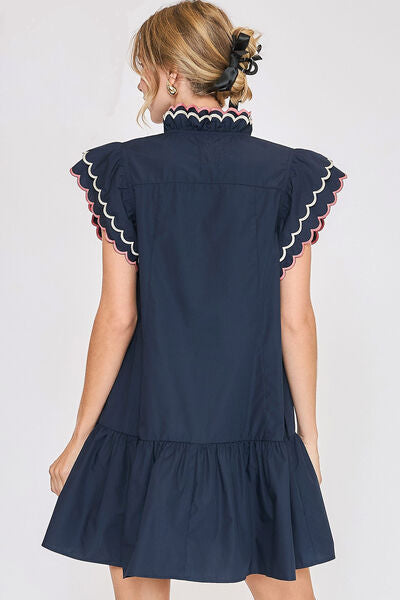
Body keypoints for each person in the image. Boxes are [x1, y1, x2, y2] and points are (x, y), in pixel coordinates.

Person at [41, 1, 347, 599]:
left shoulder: (124, 170)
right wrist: (308, 442)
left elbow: (118, 316)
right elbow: (295, 320)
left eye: (144, 66)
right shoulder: (288, 175)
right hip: (252, 420)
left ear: (173, 74)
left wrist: (80, 439)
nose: (138, 80)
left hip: (145, 418)